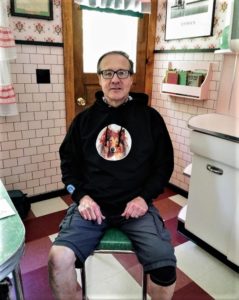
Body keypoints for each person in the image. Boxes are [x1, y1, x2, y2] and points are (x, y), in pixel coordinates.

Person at [48, 50, 177, 300]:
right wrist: (81, 198)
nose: (115, 79)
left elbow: (163, 166)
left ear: (131, 78)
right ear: (99, 78)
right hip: (92, 207)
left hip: (136, 208)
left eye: (122, 72)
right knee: (58, 259)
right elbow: (69, 168)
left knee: (164, 268)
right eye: (108, 73)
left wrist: (144, 198)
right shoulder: (83, 121)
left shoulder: (150, 118)